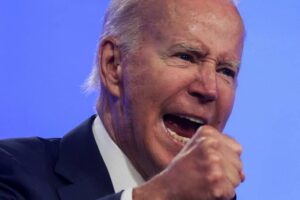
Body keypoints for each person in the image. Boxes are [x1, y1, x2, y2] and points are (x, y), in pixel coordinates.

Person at [0, 0, 245, 199]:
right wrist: (161, 194)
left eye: (226, 71)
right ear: (114, 64)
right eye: (186, 56)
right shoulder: (11, 171)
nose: (209, 88)